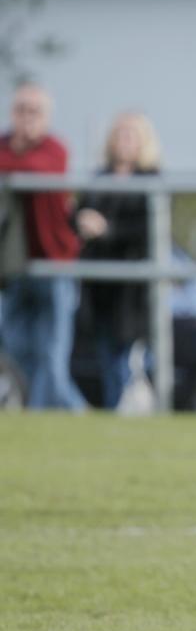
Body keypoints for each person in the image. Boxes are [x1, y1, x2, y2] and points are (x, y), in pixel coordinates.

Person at [0, 82, 86, 411]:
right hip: (13, 265)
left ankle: (46, 414)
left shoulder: (55, 148)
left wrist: (11, 165)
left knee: (52, 352)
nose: (26, 118)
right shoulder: (4, 145)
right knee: (16, 347)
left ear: (47, 116)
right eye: (21, 109)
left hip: (55, 264)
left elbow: (39, 168)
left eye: (34, 111)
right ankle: (76, 412)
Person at [75, 112, 161, 409]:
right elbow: (77, 213)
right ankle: (116, 410)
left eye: (130, 135)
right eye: (119, 134)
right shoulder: (99, 178)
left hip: (132, 288)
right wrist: (82, 221)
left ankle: (130, 409)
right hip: (99, 286)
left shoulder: (151, 180)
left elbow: (148, 230)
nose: (123, 141)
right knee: (105, 354)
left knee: (128, 356)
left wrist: (107, 230)